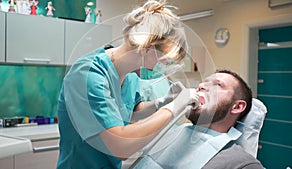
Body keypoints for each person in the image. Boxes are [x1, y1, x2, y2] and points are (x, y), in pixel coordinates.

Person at [56, 0, 199, 169]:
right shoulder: (88, 74)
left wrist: (162, 102)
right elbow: (120, 146)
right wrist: (175, 106)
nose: (162, 68)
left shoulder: (130, 76)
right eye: (164, 61)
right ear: (147, 48)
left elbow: (132, 110)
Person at [133, 69, 265, 169]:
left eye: (218, 85)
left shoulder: (241, 162)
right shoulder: (173, 134)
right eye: (204, 82)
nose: (201, 85)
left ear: (237, 106)